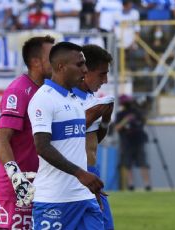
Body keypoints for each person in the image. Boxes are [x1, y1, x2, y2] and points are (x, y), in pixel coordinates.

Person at [28, 41, 104, 229]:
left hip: (84, 197)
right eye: (79, 64)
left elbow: (76, 146)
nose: (85, 70)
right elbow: (42, 146)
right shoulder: (43, 99)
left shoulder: (75, 100)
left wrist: (88, 185)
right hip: (54, 199)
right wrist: (81, 174)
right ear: (61, 67)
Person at [0, 35, 55, 230]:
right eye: (51, 56)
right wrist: (17, 178)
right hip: (19, 187)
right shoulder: (19, 90)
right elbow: (2, 139)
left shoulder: (47, 91)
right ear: (36, 62)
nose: (57, 60)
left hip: (42, 183)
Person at [73, 44, 115, 230]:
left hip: (92, 173)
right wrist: (92, 115)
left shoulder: (92, 99)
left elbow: (94, 141)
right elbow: (66, 136)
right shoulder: (67, 98)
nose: (105, 80)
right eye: (101, 74)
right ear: (85, 70)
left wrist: (105, 119)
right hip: (74, 175)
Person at [115, 95, 151, 191]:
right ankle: (131, 185)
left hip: (139, 140)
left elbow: (143, 121)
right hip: (127, 142)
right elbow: (117, 128)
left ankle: (147, 185)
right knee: (127, 164)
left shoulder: (137, 112)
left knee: (143, 163)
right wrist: (126, 120)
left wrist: (144, 108)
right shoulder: (120, 114)